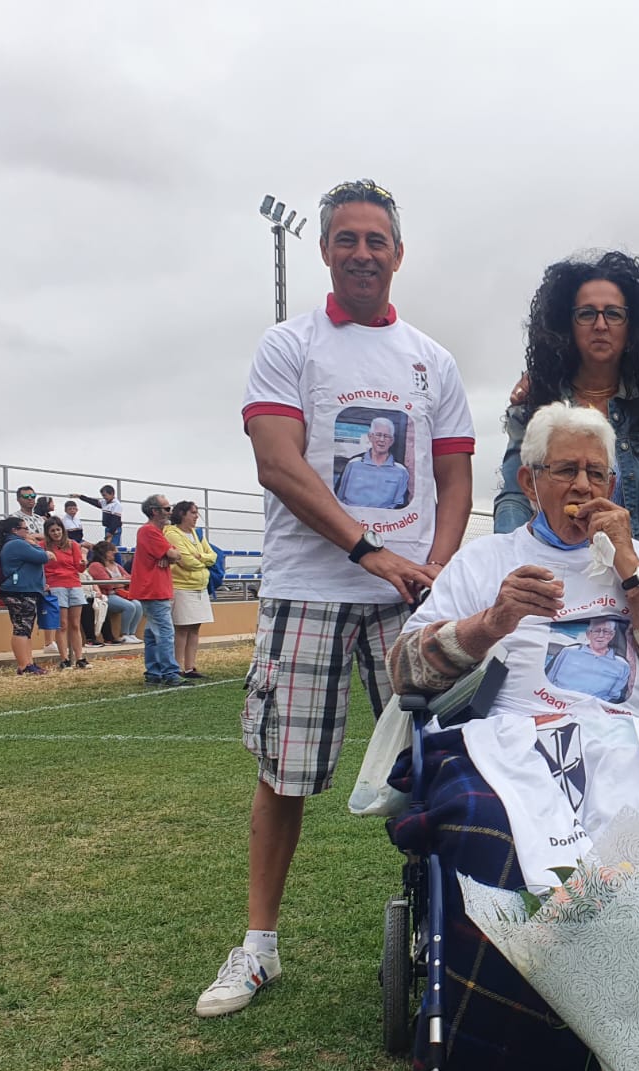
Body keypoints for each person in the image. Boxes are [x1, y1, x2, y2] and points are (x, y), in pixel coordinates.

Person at [386, 403, 639, 1071]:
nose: (581, 485)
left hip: (619, 743)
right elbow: (406, 672)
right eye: (564, 470)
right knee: (485, 840)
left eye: (596, 472)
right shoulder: (484, 560)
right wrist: (491, 621)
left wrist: (632, 568)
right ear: (529, 481)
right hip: (506, 742)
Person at [196, 178, 475, 1020]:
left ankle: (462, 930)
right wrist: (371, 552)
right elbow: (278, 464)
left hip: (409, 600)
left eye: (375, 239)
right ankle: (258, 949)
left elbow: (456, 474)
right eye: (346, 239)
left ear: (398, 252)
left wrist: (436, 566)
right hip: (308, 590)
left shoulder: (434, 359)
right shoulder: (290, 345)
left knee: (443, 766)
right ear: (324, 250)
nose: (362, 253)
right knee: (284, 775)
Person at [494, 250, 639, 561]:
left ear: (632, 328)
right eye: (587, 313)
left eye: (613, 313)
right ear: (567, 325)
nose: (600, 324)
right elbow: (513, 498)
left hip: (632, 577)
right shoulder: (533, 407)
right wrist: (508, 569)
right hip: (553, 575)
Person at [130, 494, 183, 685]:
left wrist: (170, 555)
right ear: (155, 511)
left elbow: (175, 554)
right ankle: (170, 672)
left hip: (155, 588)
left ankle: (154, 672)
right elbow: (173, 554)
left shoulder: (156, 532)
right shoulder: (149, 531)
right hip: (152, 589)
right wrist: (169, 555)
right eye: (167, 508)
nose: (170, 512)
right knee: (165, 632)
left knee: (153, 633)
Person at [0, 516, 53, 675]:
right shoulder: (17, 544)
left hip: (24, 590)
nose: (28, 532)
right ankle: (23, 665)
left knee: (25, 628)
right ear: (15, 530)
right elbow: (42, 557)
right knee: (21, 628)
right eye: (25, 529)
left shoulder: (14, 544)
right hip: (19, 591)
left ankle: (29, 662)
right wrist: (36, 545)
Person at [165, 500, 216, 678]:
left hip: (199, 587)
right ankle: (177, 667)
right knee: (182, 628)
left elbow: (213, 556)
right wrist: (202, 561)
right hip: (182, 587)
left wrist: (201, 557)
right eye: (193, 512)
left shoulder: (197, 533)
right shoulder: (172, 534)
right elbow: (186, 562)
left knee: (195, 628)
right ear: (182, 514)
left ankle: (190, 667)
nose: (196, 516)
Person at [41, 516, 89, 670]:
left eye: (58, 529)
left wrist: (83, 562)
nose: (56, 533)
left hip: (74, 584)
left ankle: (80, 657)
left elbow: (79, 567)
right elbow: (42, 567)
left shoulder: (72, 544)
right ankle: (64, 658)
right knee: (62, 624)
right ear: (48, 533)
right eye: (52, 531)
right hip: (56, 585)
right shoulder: (43, 546)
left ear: (63, 530)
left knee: (75, 624)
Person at [335, 416, 412, 508]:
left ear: (391, 441)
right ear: (370, 437)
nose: (382, 440)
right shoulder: (353, 465)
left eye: (386, 436)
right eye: (378, 435)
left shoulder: (401, 471)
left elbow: (399, 506)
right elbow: (338, 499)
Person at [86, 540, 143, 643]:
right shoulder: (96, 565)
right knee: (129, 606)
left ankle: (131, 633)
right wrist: (121, 581)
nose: (114, 553)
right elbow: (106, 584)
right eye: (111, 551)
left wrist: (119, 581)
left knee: (138, 605)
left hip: (120, 593)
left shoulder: (116, 565)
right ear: (104, 552)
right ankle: (123, 634)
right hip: (108, 595)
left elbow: (130, 578)